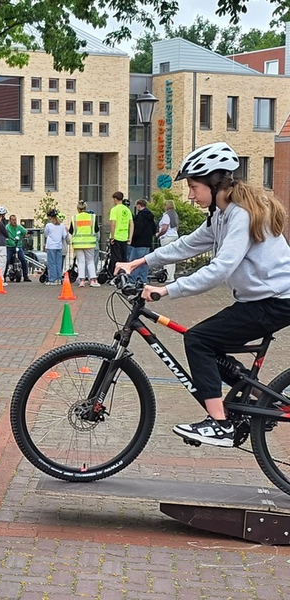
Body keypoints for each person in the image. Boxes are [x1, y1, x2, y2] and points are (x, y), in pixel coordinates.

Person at [115, 141, 290, 448]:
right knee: (206, 342)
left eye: (194, 186)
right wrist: (140, 260)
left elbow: (220, 269)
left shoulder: (240, 215)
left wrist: (166, 290)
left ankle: (219, 424)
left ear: (213, 182)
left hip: (277, 302)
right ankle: (262, 398)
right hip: (260, 300)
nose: (191, 194)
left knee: (198, 340)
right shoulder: (220, 215)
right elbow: (186, 245)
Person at [69, 201, 100, 287]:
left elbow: (71, 231)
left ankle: (81, 280)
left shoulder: (74, 218)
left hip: (78, 244)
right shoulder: (92, 217)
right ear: (86, 208)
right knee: (90, 261)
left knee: (81, 262)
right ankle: (93, 280)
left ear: (78, 208)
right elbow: (96, 230)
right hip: (89, 243)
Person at [128, 198, 157, 283]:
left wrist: (132, 238)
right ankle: (143, 279)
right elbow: (154, 228)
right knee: (144, 262)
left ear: (139, 205)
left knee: (135, 262)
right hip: (147, 243)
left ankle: (132, 280)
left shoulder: (140, 216)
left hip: (139, 243)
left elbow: (138, 230)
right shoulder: (150, 216)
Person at [108, 191, 133, 283]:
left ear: (115, 199)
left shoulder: (114, 210)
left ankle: (116, 278)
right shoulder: (127, 210)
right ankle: (124, 277)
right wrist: (130, 237)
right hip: (125, 237)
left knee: (116, 259)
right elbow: (131, 224)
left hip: (117, 237)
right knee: (124, 259)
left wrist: (112, 237)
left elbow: (113, 224)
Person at [157, 199, 180, 282]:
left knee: (166, 256)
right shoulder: (174, 214)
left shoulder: (166, 215)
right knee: (172, 257)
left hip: (167, 237)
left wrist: (158, 234)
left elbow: (165, 227)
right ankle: (171, 275)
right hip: (174, 235)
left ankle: (167, 276)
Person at [43, 208, 67, 284]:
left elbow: (46, 234)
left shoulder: (48, 225)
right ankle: (59, 279)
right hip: (59, 246)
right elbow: (64, 235)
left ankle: (52, 279)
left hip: (50, 246)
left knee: (52, 263)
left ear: (50, 217)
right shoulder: (61, 225)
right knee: (58, 263)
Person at [5, 214, 31, 282]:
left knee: (23, 259)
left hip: (18, 246)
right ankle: (3, 276)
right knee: (7, 260)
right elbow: (4, 234)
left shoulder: (19, 227)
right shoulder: (7, 227)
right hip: (9, 246)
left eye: (15, 220)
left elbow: (25, 232)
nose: (14, 221)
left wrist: (26, 234)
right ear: (10, 221)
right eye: (13, 220)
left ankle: (25, 276)